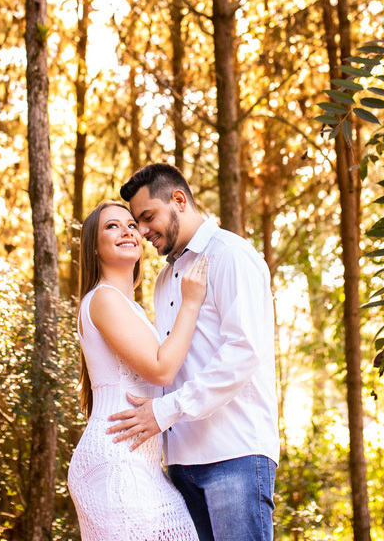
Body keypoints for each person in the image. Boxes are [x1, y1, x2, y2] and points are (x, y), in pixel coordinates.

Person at [108, 164, 279, 541]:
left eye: (147, 217)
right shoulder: (165, 279)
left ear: (179, 201)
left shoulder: (231, 255)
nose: (142, 230)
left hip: (234, 455)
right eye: (137, 222)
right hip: (180, 463)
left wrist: (166, 411)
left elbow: (244, 351)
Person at [67, 200, 208, 540]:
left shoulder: (130, 307)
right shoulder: (103, 299)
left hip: (141, 465)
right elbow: (161, 370)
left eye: (131, 224)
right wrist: (190, 302)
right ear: (95, 248)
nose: (127, 230)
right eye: (112, 226)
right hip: (115, 462)